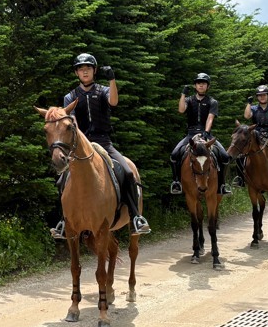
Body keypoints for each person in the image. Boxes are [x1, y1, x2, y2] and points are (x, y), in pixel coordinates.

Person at [50, 54, 150, 238]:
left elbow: (113, 101)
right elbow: (71, 124)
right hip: (81, 145)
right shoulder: (70, 97)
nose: (84, 71)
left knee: (127, 173)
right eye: (81, 68)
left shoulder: (103, 90)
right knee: (61, 180)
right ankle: (63, 222)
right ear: (76, 72)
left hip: (104, 142)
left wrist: (112, 79)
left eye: (88, 67)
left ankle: (136, 217)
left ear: (94, 70)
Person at [169, 73, 232, 195]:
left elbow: (210, 118)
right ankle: (176, 182)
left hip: (206, 133)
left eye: (203, 83)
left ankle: (222, 184)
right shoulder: (189, 100)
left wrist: (206, 133)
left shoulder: (212, 102)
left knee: (224, 156)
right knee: (174, 155)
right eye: (199, 83)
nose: (201, 85)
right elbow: (181, 110)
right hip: (190, 134)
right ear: (195, 86)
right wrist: (183, 94)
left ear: (207, 86)